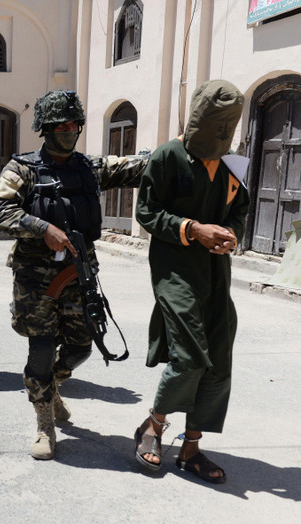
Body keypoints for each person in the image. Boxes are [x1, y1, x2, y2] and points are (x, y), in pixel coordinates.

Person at [0, 90, 147, 459]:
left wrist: (181, 148)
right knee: (42, 348)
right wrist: (42, 228)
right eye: (61, 125)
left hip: (79, 273)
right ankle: (44, 422)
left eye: (75, 124)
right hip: (36, 278)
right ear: (45, 128)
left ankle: (52, 385)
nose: (69, 131)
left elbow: (138, 167)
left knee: (81, 346)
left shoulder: (89, 168)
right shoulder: (22, 169)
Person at [132, 80, 247, 484]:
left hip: (216, 272)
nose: (219, 136)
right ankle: (153, 426)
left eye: (225, 129)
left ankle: (191, 447)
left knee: (219, 352)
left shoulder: (232, 165)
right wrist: (193, 229)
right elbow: (146, 211)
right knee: (191, 352)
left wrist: (231, 235)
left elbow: (239, 211)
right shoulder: (168, 156)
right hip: (174, 269)